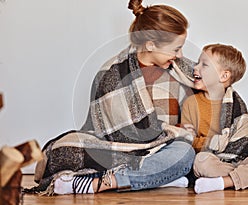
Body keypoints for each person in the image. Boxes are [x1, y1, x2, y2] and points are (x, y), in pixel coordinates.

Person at [25, 0, 196, 195]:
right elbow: (109, 132)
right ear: (150, 44)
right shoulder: (111, 73)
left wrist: (184, 130)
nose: (181, 55)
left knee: (184, 154)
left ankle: (98, 184)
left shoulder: (183, 72)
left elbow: (212, 97)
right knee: (64, 150)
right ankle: (158, 178)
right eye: (176, 49)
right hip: (117, 147)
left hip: (165, 148)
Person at [180, 43, 248, 194]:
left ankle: (224, 182)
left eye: (204, 65)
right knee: (200, 161)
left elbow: (242, 137)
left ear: (224, 76)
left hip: (240, 157)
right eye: (197, 63)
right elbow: (188, 139)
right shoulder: (191, 103)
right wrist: (214, 143)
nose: (195, 68)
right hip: (213, 159)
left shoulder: (236, 104)